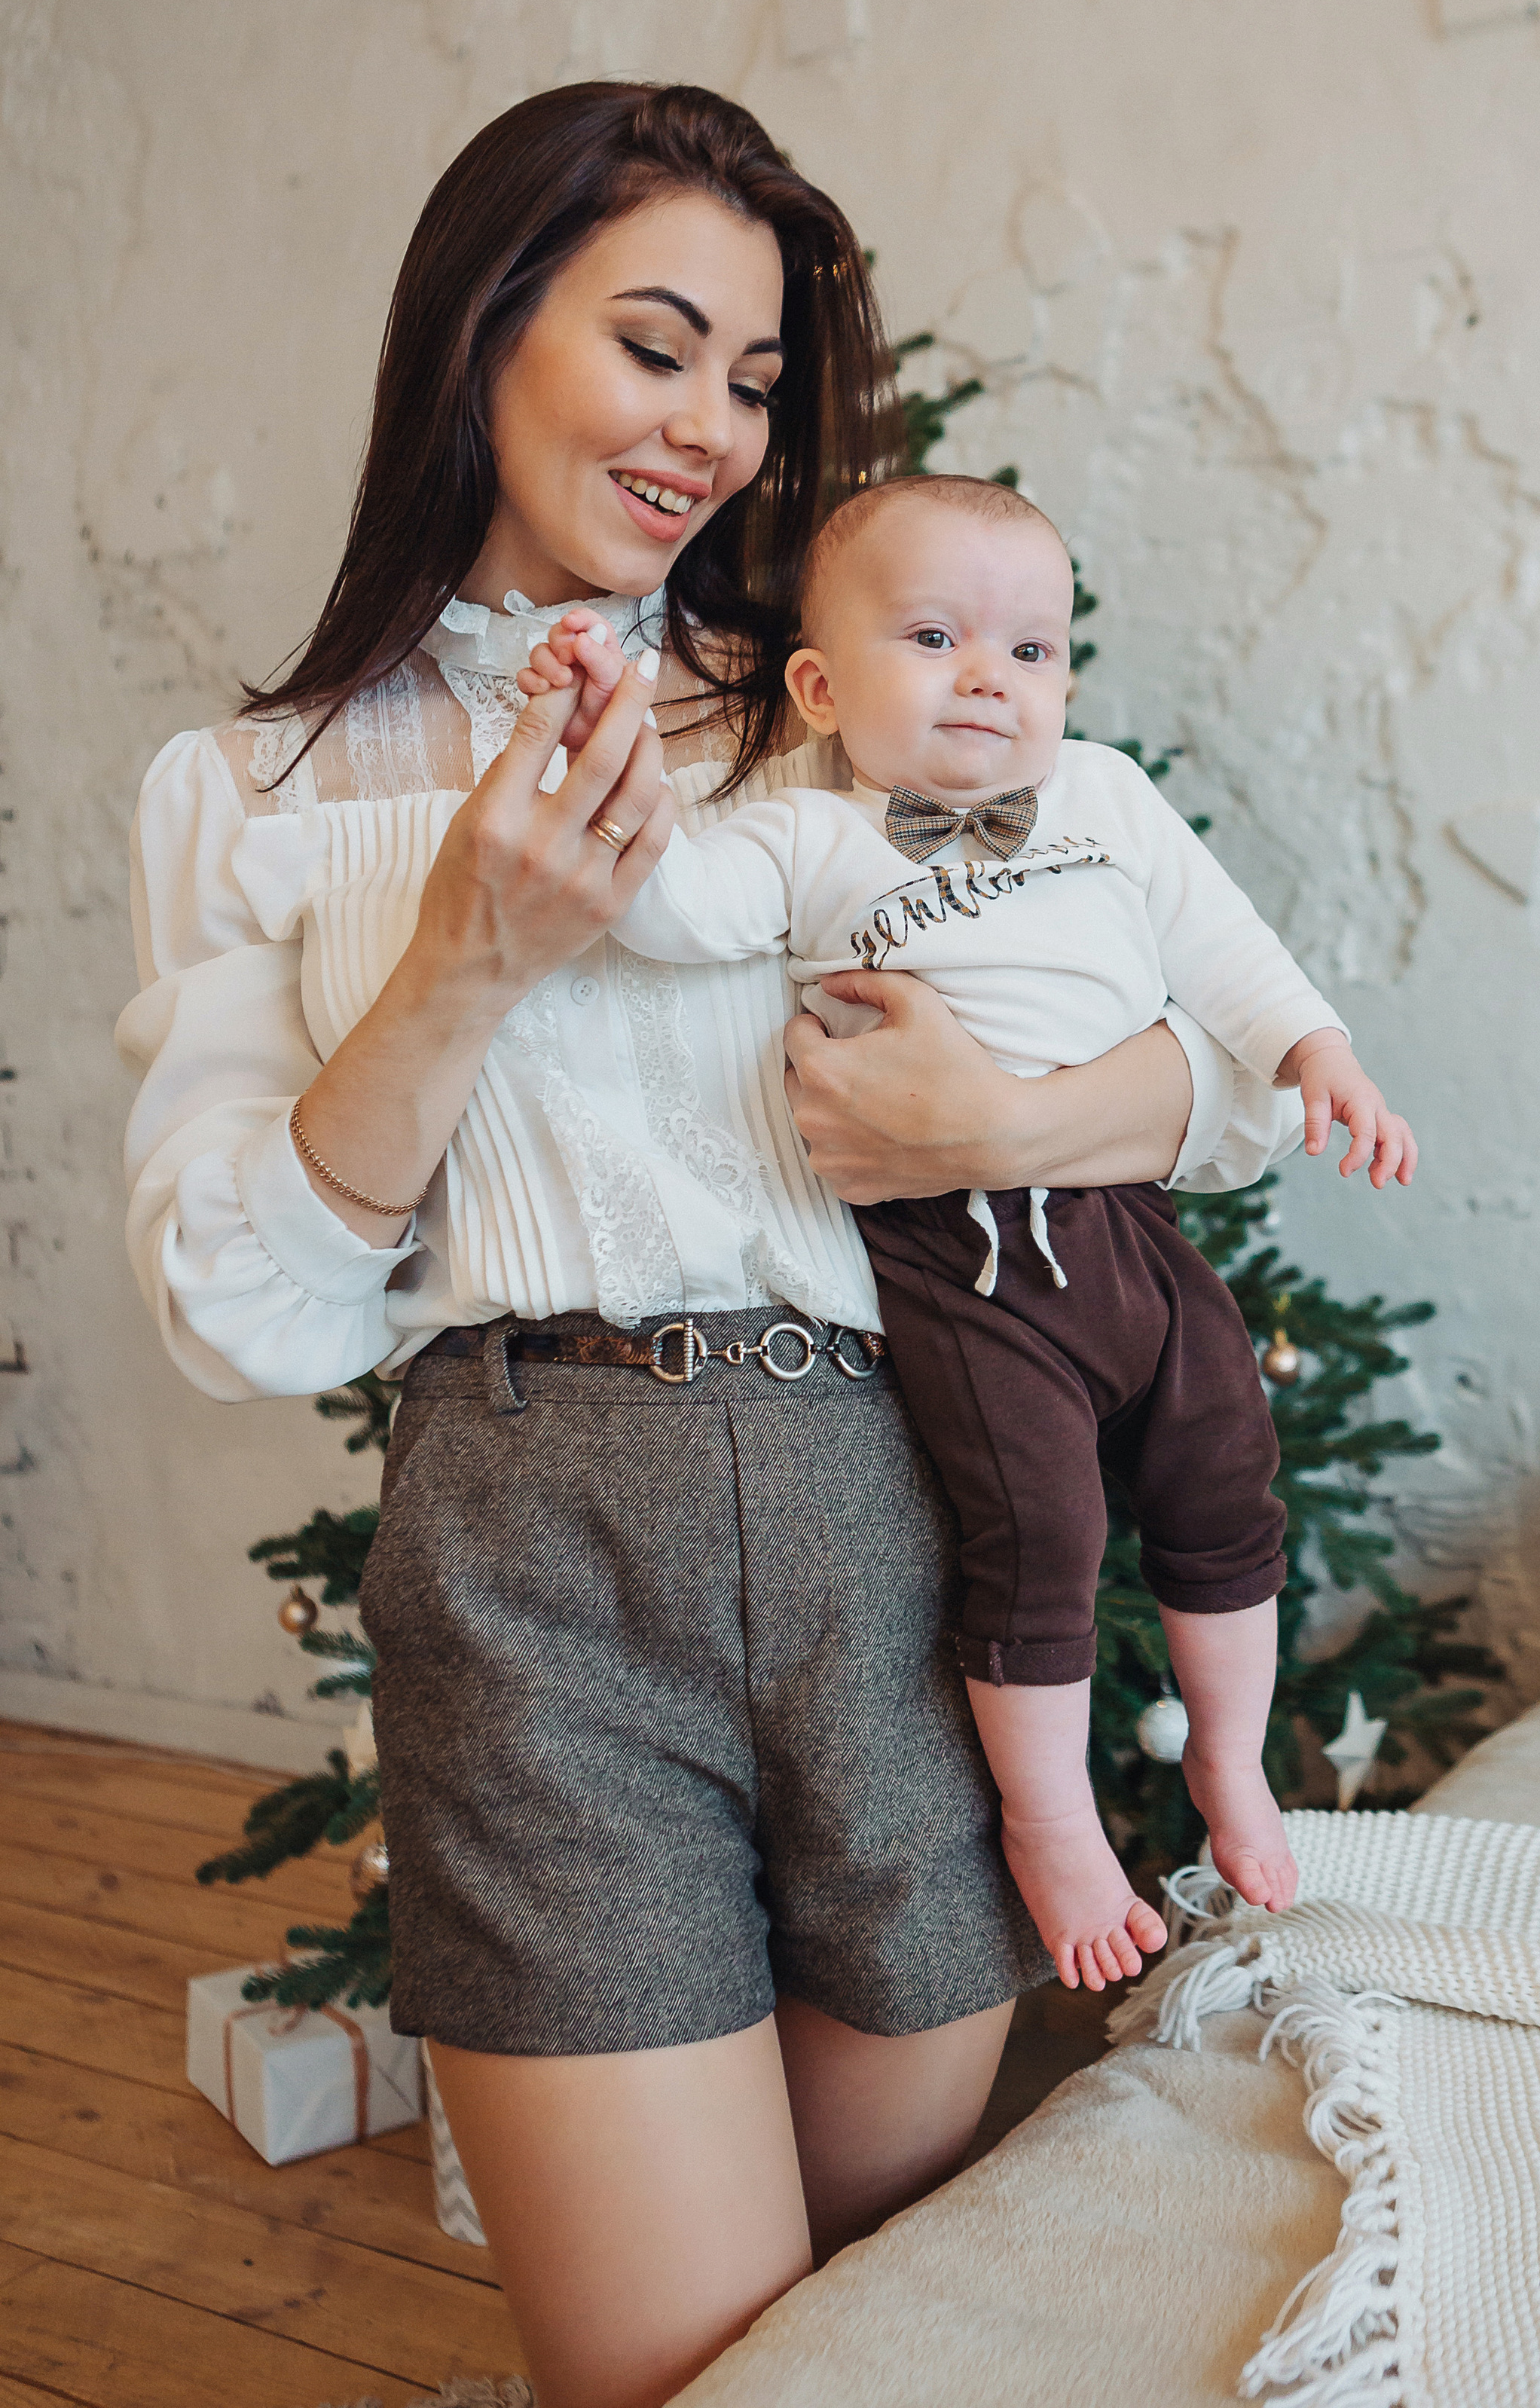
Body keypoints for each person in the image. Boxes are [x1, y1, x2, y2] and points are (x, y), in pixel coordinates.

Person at [116, 81, 1322, 2408]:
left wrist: (1011, 1113)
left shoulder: (844, 708)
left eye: (756, 382)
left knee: (872, 2327)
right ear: (480, 329)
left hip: (914, 1533)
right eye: (656, 347)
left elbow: (1250, 1082)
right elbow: (241, 1313)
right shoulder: (256, 793)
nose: (708, 432)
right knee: (678, 2368)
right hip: (540, 1567)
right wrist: (467, 948)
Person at [518, 474, 1417, 1994]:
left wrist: (1316, 1052)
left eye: (1032, 651)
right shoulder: (804, 835)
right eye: (933, 638)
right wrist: (595, 740)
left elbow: (1225, 950)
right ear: (819, 684)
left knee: (1222, 1473)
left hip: (1123, 1222)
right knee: (1041, 1534)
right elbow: (662, 910)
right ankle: (1054, 1823)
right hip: (960, 1264)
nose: (991, 679)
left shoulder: (1107, 797)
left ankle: (1232, 1766)